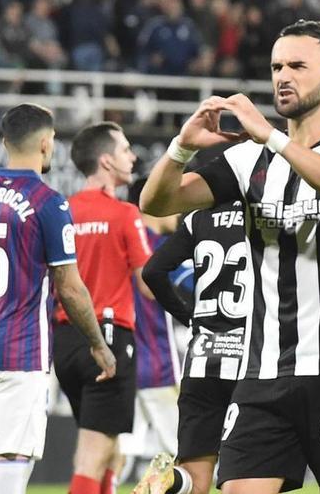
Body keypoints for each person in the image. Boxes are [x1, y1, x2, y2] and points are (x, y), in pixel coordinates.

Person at [140, 19, 320, 494]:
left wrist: (275, 138)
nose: (283, 76)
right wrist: (181, 148)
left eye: (298, 65)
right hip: (263, 370)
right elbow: (156, 204)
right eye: (277, 66)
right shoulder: (246, 161)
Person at [0, 103, 115, 494]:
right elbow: (69, 286)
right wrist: (98, 343)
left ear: (4, 143)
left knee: (9, 459)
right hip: (21, 350)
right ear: (47, 144)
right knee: (12, 463)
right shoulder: (49, 203)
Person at [52, 122, 152, 494]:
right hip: (108, 341)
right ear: (107, 161)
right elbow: (148, 284)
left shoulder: (63, 211)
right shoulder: (124, 214)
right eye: (126, 149)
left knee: (110, 450)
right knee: (92, 454)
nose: (133, 156)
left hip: (64, 342)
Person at [133, 199, 249, 494]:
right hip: (251, 365)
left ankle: (173, 480)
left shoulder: (198, 219)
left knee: (196, 480)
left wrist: (190, 318)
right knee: (248, 474)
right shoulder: (265, 213)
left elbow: (153, 271)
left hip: (202, 361)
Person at [117, 179, 185, 486]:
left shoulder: (121, 243)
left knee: (117, 452)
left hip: (122, 363)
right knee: (183, 453)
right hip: (159, 366)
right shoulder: (163, 249)